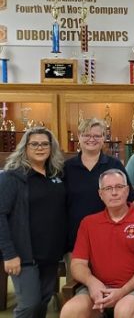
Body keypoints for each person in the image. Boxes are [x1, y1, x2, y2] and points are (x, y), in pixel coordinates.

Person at [61, 169, 134, 318]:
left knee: (123, 310)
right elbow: (77, 264)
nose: (114, 193)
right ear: (101, 194)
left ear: (127, 191)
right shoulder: (88, 223)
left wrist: (123, 291)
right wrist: (92, 283)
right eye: (108, 188)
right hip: (97, 288)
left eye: (119, 187)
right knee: (70, 311)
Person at [0, 127, 67, 318]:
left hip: (50, 254)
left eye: (45, 144)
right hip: (23, 256)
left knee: (42, 303)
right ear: (25, 147)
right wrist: (9, 254)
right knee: (29, 305)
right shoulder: (12, 177)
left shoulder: (56, 174)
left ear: (51, 147)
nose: (40, 148)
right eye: (34, 144)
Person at [64, 118, 134, 252]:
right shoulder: (66, 168)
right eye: (87, 135)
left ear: (103, 138)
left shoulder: (114, 164)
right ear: (79, 137)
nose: (92, 139)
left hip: (110, 235)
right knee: (78, 272)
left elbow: (130, 195)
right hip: (76, 237)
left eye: (97, 135)